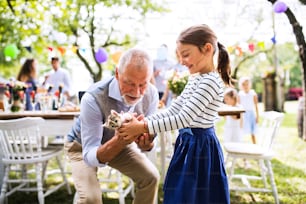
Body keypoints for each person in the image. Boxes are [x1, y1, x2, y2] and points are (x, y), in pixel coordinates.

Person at [118, 24, 231, 204]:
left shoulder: (210, 81)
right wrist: (145, 121)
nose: (182, 60)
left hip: (201, 148)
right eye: (179, 56)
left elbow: (184, 118)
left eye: (186, 54)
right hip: (187, 144)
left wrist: (142, 126)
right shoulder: (196, 78)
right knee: (180, 194)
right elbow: (174, 109)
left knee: (197, 197)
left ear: (207, 49)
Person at [65, 48, 160, 204]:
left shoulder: (152, 94)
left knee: (150, 178)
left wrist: (147, 142)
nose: (136, 93)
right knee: (90, 199)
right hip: (81, 147)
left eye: (142, 84)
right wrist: (120, 140)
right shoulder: (93, 98)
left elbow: (147, 141)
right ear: (117, 73)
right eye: (129, 83)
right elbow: (90, 157)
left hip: (121, 146)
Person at [238, 76, 259, 144]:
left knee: (253, 132)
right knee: (242, 131)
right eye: (243, 84)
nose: (245, 86)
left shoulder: (253, 93)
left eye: (247, 84)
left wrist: (257, 116)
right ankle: (241, 144)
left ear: (250, 85)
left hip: (251, 114)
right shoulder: (240, 94)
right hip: (243, 114)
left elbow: (256, 106)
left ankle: (254, 145)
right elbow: (238, 106)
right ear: (241, 85)